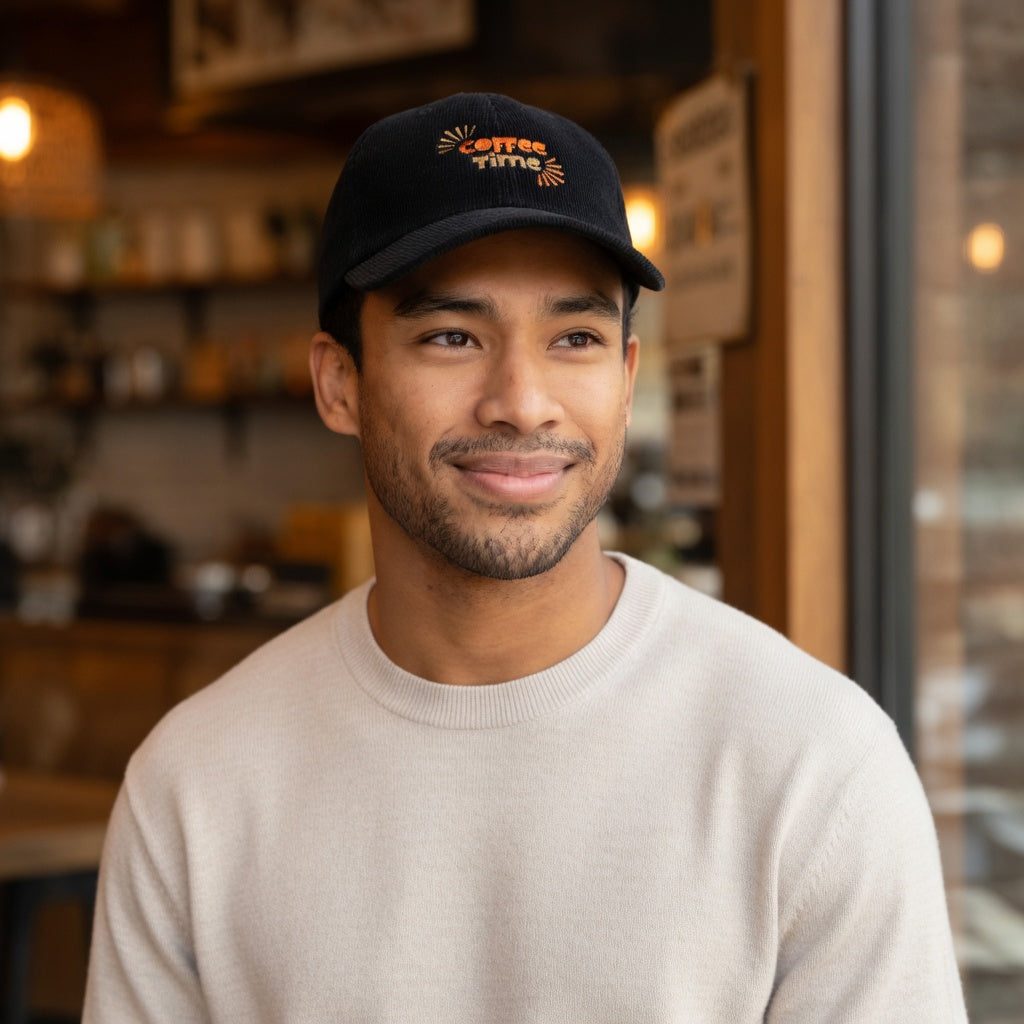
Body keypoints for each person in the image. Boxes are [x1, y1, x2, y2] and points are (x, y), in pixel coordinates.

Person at [83, 92, 968, 1023]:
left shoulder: (811, 763)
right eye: (451, 336)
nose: (522, 401)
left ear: (626, 382)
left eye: (574, 338)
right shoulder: (196, 785)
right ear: (339, 382)